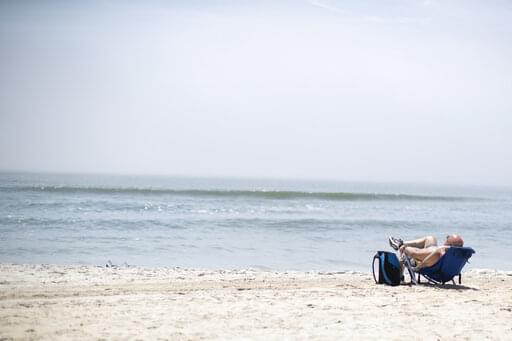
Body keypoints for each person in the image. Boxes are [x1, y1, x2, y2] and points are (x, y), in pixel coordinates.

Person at [388, 234, 464, 271]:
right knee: (431, 238)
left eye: (447, 240)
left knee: (407, 250)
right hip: (435, 258)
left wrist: (404, 248)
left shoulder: (438, 254)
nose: (445, 241)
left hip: (424, 261)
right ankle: (401, 242)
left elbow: (415, 253)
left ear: (449, 244)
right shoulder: (458, 255)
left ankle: (400, 245)